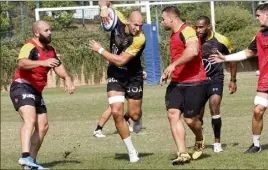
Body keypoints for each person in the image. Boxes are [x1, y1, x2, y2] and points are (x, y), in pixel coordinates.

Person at [9, 20, 75, 169]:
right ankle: (25, 156)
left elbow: (57, 65)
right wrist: (42, 63)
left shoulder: (50, 49)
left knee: (43, 126)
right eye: (46, 30)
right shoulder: (29, 46)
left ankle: (30, 163)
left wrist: (67, 78)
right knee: (30, 119)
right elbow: (22, 63)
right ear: (37, 33)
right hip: (22, 86)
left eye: (50, 30)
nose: (50, 32)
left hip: (36, 91)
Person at [89, 1, 145, 163]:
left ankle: (136, 117)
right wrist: (104, 8)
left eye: (140, 25)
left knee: (134, 114)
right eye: (135, 25)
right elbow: (104, 1)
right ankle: (131, 151)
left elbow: (121, 61)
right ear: (128, 21)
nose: (138, 28)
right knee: (115, 112)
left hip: (133, 76)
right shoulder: (118, 19)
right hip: (115, 75)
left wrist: (100, 50)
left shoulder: (140, 39)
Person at [209, 3, 268, 154]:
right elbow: (248, 52)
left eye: (258, 15)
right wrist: (225, 58)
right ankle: (256, 144)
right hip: (265, 80)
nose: (256, 18)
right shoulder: (260, 35)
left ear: (267, 15)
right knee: (258, 111)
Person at [160, 6, 207, 164]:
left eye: (163, 19)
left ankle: (199, 138)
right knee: (172, 114)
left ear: (171, 19)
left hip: (195, 82)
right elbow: (178, 57)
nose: (162, 22)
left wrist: (174, 65)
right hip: (176, 83)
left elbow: (193, 51)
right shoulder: (173, 35)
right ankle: (183, 153)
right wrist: (168, 71)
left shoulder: (187, 30)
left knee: (190, 120)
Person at [195, 16, 237, 152]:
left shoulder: (221, 40)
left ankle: (217, 143)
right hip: (198, 81)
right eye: (196, 27)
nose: (198, 30)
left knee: (214, 107)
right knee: (197, 115)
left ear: (208, 26)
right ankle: (199, 140)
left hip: (215, 78)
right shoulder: (193, 40)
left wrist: (233, 80)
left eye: (201, 27)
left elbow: (232, 59)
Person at [93, 71, 147, 138]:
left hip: (125, 80)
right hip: (118, 79)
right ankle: (98, 130)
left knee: (134, 104)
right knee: (112, 107)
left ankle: (125, 121)